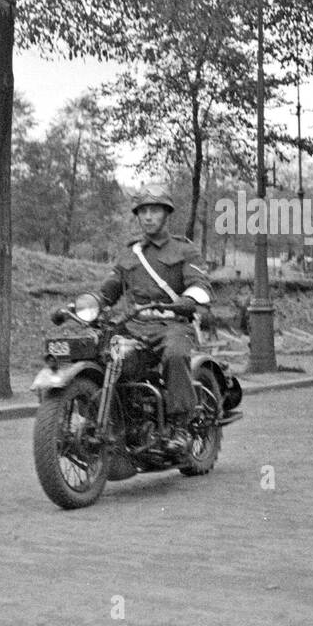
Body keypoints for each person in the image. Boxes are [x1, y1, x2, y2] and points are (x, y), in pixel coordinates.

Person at [96, 185, 212, 458]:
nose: (148, 217)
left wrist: (189, 300)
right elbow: (110, 288)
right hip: (134, 326)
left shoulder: (184, 250)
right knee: (101, 351)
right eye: (143, 211)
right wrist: (95, 301)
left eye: (154, 211)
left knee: (174, 355)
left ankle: (181, 427)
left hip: (172, 323)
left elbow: (201, 284)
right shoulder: (130, 253)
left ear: (166, 214)